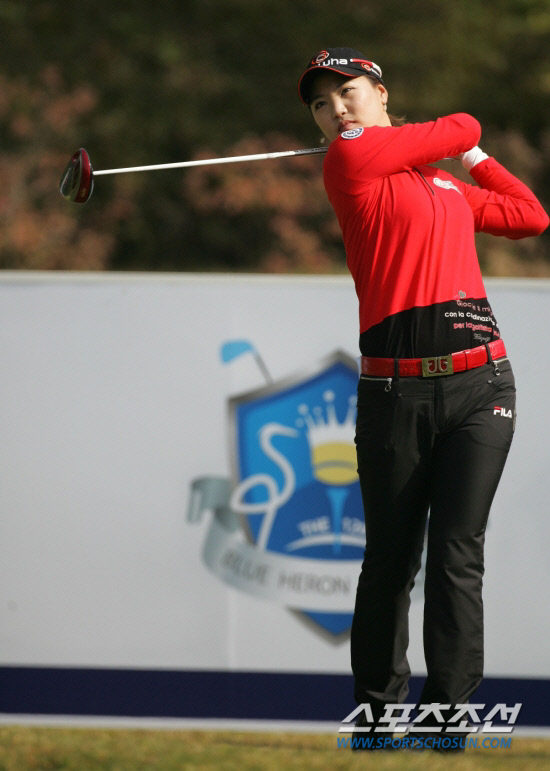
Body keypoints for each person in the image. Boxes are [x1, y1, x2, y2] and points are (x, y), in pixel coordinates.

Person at [298, 48, 549, 748]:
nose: (336, 108)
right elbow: (463, 121)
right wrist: (462, 140)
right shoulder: (349, 160)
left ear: (381, 93)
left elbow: (531, 216)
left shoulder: (442, 185)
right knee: (391, 560)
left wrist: (473, 162)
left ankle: (446, 724)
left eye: (348, 91)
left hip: (482, 386)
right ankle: (379, 723)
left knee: (457, 556)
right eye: (321, 103)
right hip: (395, 390)